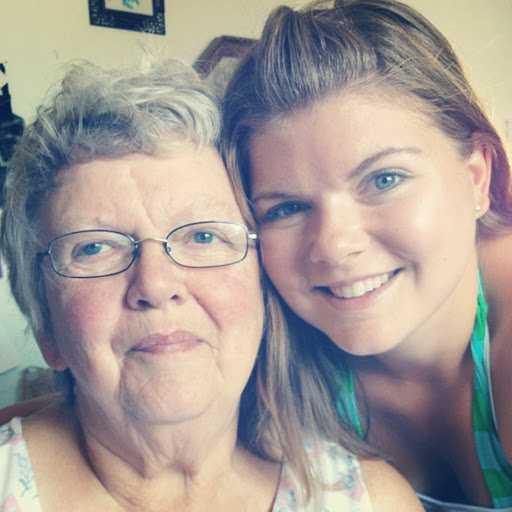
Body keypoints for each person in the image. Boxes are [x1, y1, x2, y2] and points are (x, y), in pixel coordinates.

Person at [0, 56, 422, 511]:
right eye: (94, 247)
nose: (156, 284)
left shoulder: (373, 501)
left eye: (204, 236)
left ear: (263, 291)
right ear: (45, 328)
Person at [221, 1, 512, 511]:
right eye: (287, 208)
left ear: (476, 177)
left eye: (384, 179)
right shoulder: (266, 358)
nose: (335, 245)